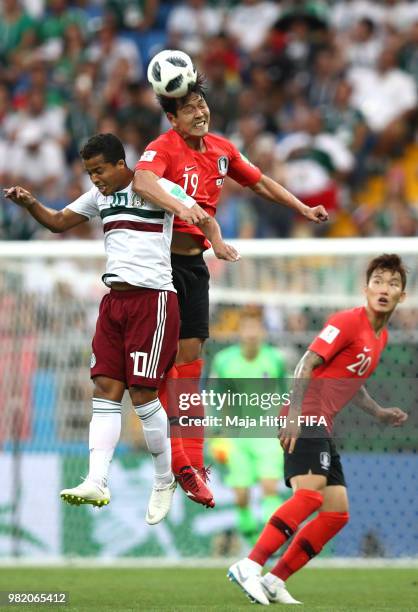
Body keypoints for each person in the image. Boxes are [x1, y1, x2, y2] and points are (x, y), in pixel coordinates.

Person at [134, 69, 328, 508]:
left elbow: (258, 181)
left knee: (191, 364)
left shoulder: (222, 149)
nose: (200, 112)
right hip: (157, 265)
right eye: (188, 109)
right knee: (161, 370)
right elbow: (143, 182)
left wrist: (300, 206)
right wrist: (186, 209)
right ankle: (177, 462)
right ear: (173, 119)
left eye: (201, 105)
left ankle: (193, 467)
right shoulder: (161, 149)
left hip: (193, 267)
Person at [3, 132, 210, 525]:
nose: (94, 179)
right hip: (114, 302)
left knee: (144, 393)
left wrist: (217, 242)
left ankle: (164, 479)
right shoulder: (100, 197)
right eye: (89, 172)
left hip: (154, 300)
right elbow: (59, 222)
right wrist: (31, 203)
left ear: (121, 164)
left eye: (99, 171)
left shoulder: (156, 188)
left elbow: (199, 215)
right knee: (105, 389)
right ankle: (97, 480)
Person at [228, 253, 409, 605]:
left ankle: (273, 581)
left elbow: (352, 382)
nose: (384, 288)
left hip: (322, 421)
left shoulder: (380, 337)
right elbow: (306, 361)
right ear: (365, 288)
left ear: (402, 295)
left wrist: (379, 412)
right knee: (309, 496)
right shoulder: (347, 321)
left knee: (336, 513)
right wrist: (294, 413)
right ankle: (249, 565)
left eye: (393, 283)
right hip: (306, 414)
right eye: (378, 281)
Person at [210, 311, 287, 546]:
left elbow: (286, 394)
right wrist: (216, 433)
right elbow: (214, 397)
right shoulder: (224, 361)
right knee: (242, 494)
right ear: (239, 332)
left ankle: (270, 542)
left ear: (262, 332)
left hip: (267, 433)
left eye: (256, 328)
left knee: (269, 486)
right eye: (247, 328)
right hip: (236, 434)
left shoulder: (275, 359)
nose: (251, 333)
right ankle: (248, 530)